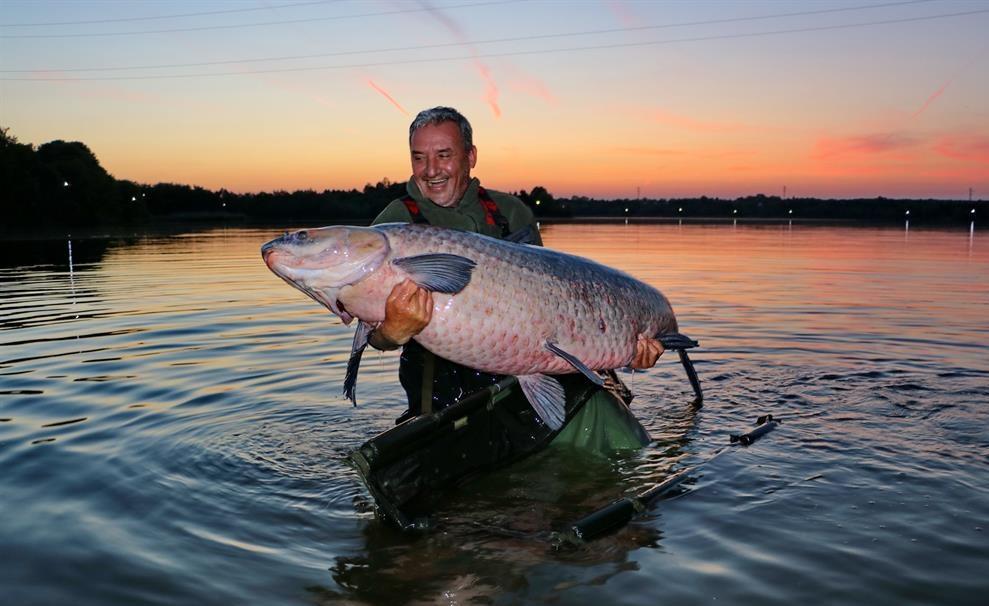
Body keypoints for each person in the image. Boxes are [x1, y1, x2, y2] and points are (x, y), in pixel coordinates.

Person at [368, 106, 663, 453]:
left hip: (522, 375)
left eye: (444, 155)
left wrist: (624, 351)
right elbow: (375, 335)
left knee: (616, 439)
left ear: (471, 156)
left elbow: (553, 305)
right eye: (419, 158)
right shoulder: (394, 224)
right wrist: (390, 333)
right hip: (441, 393)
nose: (431, 171)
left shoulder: (511, 212)